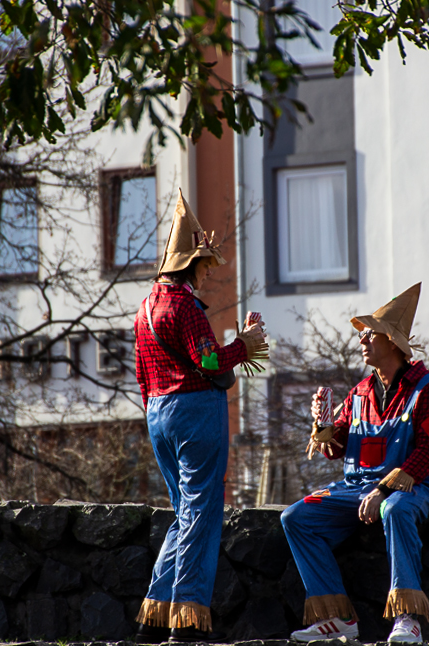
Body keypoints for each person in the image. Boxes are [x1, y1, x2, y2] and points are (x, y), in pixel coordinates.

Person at [133, 189, 267, 644]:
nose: (208, 273)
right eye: (205, 265)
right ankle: (185, 614)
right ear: (190, 264)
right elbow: (210, 363)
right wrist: (243, 346)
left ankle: (156, 609)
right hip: (194, 413)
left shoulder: (145, 307)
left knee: (183, 511)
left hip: (157, 413)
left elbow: (140, 376)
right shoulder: (184, 306)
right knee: (202, 512)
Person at [281, 283, 429, 644]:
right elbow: (336, 449)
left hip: (412, 486)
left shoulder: (428, 387)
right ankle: (338, 620)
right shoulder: (359, 391)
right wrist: (323, 428)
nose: (362, 340)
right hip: (356, 489)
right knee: (295, 518)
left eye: (371, 333)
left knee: (396, 511)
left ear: (393, 342)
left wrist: (383, 488)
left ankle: (408, 619)